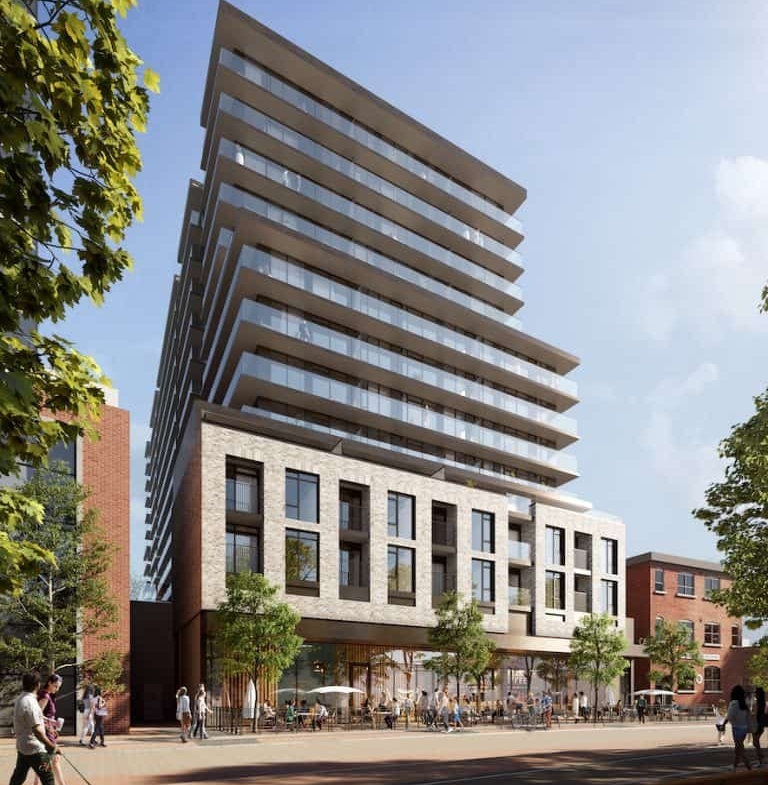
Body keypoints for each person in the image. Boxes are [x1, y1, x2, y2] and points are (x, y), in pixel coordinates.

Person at [9, 673, 59, 785]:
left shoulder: (21, 699)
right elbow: (36, 730)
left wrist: (47, 727)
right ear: (38, 685)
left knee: (18, 778)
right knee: (48, 778)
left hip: (23, 747)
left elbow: (33, 720)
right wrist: (51, 746)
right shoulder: (30, 702)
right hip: (35, 749)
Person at [34, 673, 67, 785]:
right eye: (55, 686)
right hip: (46, 731)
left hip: (47, 730)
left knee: (45, 759)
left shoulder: (46, 695)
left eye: (59, 687)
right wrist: (52, 722)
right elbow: (37, 715)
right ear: (49, 683)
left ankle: (36, 783)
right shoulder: (45, 696)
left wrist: (52, 725)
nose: (57, 689)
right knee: (55, 759)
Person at [724, 684, 753, 771]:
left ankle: (749, 768)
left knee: (740, 749)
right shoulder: (744, 703)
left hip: (736, 728)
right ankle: (734, 766)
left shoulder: (733, 703)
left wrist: (724, 723)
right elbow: (749, 715)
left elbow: (729, 716)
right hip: (744, 728)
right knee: (738, 748)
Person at [752, 687, 765, 767]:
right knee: (756, 742)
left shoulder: (757, 702)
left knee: (755, 742)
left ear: (758, 694)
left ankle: (761, 760)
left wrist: (751, 713)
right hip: (761, 724)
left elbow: (755, 714)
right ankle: (761, 758)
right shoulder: (763, 702)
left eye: (755, 693)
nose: (754, 694)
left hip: (757, 724)